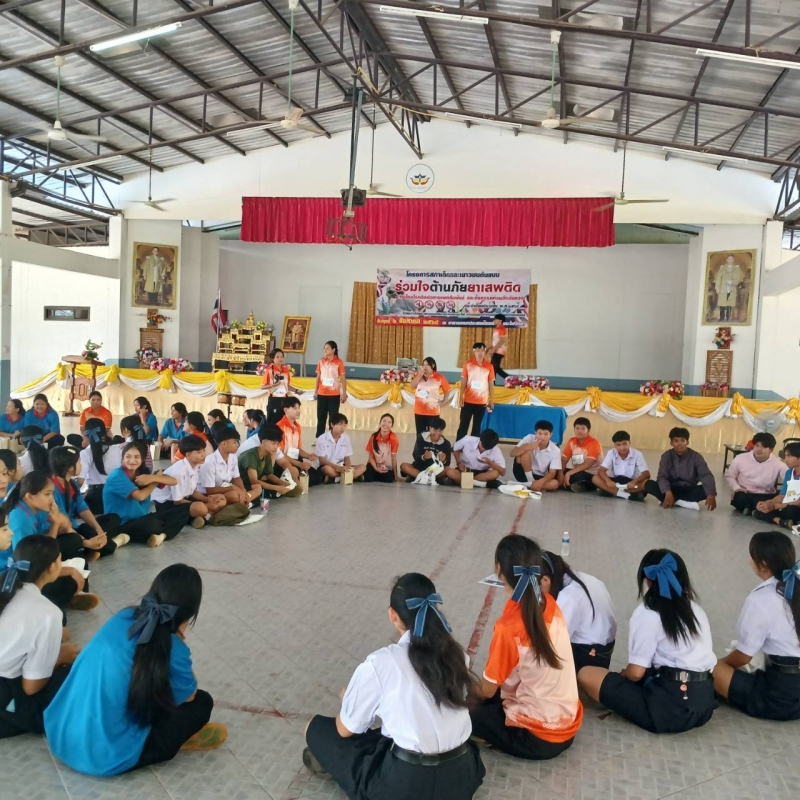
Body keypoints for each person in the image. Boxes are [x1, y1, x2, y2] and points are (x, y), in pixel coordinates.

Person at [302, 572, 486, 799]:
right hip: (462, 777)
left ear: (393, 614)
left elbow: (345, 729)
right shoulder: (458, 655)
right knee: (388, 737)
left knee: (316, 729)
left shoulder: (381, 663)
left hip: (406, 787)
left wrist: (347, 702)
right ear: (436, 609)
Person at [45, 564, 226, 775]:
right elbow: (189, 696)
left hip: (61, 736)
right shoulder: (175, 647)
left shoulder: (124, 616)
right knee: (202, 703)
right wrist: (180, 640)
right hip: (104, 757)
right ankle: (180, 738)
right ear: (190, 613)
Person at [577, 549, 717, 733]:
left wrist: (625, 675)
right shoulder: (696, 609)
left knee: (587, 674)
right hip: (704, 706)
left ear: (648, 580)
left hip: (670, 711)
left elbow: (636, 673)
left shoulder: (648, 612)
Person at [470, 534, 582, 760]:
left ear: (499, 570)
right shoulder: (549, 602)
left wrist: (459, 690)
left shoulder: (508, 628)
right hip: (568, 726)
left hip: (536, 739)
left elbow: (487, 690)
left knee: (462, 713)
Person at [712, 531, 800, 720]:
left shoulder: (761, 599)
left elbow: (744, 656)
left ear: (763, 564)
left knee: (707, 666)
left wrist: (720, 665)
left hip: (779, 698)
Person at [0, 536, 80, 739]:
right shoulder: (48, 613)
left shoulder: (6, 588)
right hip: (6, 695)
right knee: (78, 671)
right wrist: (59, 657)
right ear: (52, 567)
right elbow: (31, 687)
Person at [3, 477, 98, 612]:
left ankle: (75, 593)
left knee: (76, 551)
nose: (51, 498)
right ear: (29, 497)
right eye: (47, 494)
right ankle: (71, 594)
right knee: (70, 578)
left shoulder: (36, 508)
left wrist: (55, 521)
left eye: (52, 493)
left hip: (35, 561)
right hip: (23, 575)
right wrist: (69, 570)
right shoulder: (21, 521)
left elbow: (55, 536)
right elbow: (30, 566)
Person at [539, 551, 617, 672]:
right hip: (605, 648)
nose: (539, 596)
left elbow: (553, 644)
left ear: (545, 580)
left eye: (536, 589)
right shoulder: (586, 578)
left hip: (588, 655)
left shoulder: (569, 598)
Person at [49, 446, 126, 557]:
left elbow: (83, 509)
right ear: (70, 467)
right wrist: (86, 541)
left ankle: (93, 546)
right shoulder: (51, 490)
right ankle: (110, 544)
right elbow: (64, 526)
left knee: (113, 518)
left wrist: (99, 530)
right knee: (76, 540)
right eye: (79, 461)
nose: (81, 465)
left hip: (75, 529)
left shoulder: (72, 484)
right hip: (63, 533)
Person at [103, 443, 181, 548]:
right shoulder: (117, 475)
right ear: (123, 458)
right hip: (122, 522)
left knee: (182, 510)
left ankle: (160, 535)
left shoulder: (144, 472)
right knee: (152, 524)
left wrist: (153, 478)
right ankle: (162, 534)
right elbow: (140, 496)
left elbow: (174, 481)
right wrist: (154, 482)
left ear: (143, 459)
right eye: (128, 457)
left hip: (141, 517)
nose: (132, 461)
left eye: (136, 457)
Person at [151, 435, 224, 531]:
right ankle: (203, 515)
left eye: (203, 450)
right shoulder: (178, 472)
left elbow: (192, 491)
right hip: (167, 504)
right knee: (201, 508)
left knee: (220, 498)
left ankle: (197, 518)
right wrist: (205, 505)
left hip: (184, 498)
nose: (203, 454)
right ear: (188, 455)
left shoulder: (196, 465)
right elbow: (177, 501)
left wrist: (207, 499)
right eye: (198, 452)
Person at [645, 427, 717, 511]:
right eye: (676, 441)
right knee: (649, 484)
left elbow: (706, 475)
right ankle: (682, 502)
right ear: (671, 443)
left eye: (683, 440)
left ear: (687, 442)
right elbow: (662, 476)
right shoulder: (666, 456)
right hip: (670, 488)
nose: (679, 444)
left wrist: (711, 494)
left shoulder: (696, 457)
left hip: (688, 489)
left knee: (706, 490)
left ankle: (673, 501)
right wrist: (668, 493)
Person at [199, 427, 261, 507]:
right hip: (211, 494)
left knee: (258, 487)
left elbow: (237, 478)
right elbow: (210, 490)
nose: (237, 445)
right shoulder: (209, 462)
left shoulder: (233, 456)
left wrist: (242, 491)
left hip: (227, 488)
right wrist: (233, 488)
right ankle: (245, 502)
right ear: (224, 444)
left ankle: (244, 500)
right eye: (234, 442)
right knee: (233, 495)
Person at [726, 432, 784, 515]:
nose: (759, 449)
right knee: (739, 497)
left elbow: (789, 478)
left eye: (764, 447)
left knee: (768, 500)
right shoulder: (740, 458)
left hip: (765, 494)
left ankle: (749, 508)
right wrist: (736, 488)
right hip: (744, 492)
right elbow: (730, 476)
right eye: (757, 445)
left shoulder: (778, 463)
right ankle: (757, 509)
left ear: (771, 450)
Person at [237, 426, 299, 498]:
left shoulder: (267, 454)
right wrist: (277, 487)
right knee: (262, 490)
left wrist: (283, 483)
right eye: (273, 443)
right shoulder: (251, 456)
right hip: (243, 486)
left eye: (277, 444)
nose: (276, 447)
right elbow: (254, 481)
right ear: (263, 442)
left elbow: (269, 475)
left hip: (254, 484)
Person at [752, 440, 800, 529]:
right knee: (762, 506)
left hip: (795, 507)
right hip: (785, 505)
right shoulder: (789, 473)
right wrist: (768, 502)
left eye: (789, 456)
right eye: (785, 456)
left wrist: (774, 506)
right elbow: (782, 495)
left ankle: (776, 519)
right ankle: (781, 521)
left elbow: (798, 502)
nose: (786, 459)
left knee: (790, 510)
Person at [79, 419, 123, 515]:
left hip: (96, 498)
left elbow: (80, 481)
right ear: (105, 432)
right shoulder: (117, 450)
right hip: (117, 495)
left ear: (85, 434)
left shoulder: (85, 453)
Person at [593, 430, 650, 501]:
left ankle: (614, 492)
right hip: (615, 482)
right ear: (615, 445)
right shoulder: (611, 453)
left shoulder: (638, 454)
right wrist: (608, 481)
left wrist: (634, 482)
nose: (622, 447)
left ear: (629, 443)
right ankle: (625, 495)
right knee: (595, 478)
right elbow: (602, 470)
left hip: (631, 483)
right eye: (618, 445)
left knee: (647, 483)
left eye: (625, 444)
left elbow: (646, 474)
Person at [311, 413, 366, 484]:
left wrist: (348, 468)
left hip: (341, 466)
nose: (342, 428)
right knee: (327, 469)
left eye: (345, 425)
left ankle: (335, 478)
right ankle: (350, 477)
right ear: (332, 425)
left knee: (362, 467)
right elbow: (322, 461)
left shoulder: (346, 438)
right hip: (328, 466)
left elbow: (346, 457)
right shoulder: (322, 439)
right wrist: (338, 468)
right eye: (340, 424)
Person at [457, 342, 495, 441]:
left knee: (477, 426)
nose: (480, 353)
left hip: (481, 402)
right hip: (468, 401)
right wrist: (461, 397)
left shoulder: (489, 366)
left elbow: (491, 383)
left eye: (482, 350)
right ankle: (459, 445)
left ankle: (473, 446)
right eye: (478, 351)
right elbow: (463, 382)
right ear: (474, 352)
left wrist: (491, 400)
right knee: (463, 424)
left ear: (485, 352)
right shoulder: (468, 365)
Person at [509, 419, 561, 492]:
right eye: (539, 433)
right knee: (526, 449)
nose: (542, 437)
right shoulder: (529, 438)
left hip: (540, 476)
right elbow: (512, 453)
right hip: (522, 472)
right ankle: (530, 481)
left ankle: (524, 485)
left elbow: (552, 473)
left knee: (555, 484)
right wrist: (528, 447)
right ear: (535, 433)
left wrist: (541, 482)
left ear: (551, 435)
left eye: (546, 434)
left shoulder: (555, 450)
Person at [400, 418, 452, 484]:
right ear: (430, 428)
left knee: (449, 470)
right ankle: (432, 479)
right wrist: (424, 457)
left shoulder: (446, 443)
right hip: (419, 468)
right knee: (403, 466)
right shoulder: (421, 438)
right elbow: (415, 454)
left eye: (440, 430)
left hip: (435, 471)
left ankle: (418, 478)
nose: (437, 433)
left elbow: (447, 463)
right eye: (435, 430)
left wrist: (443, 460)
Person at [276, 397, 315, 483]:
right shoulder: (279, 427)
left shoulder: (297, 427)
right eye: (294, 408)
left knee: (317, 475)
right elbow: (279, 453)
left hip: (295, 459)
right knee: (302, 476)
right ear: (286, 410)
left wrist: (308, 456)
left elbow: (298, 448)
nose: (298, 411)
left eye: (299, 408)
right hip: (283, 461)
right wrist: (299, 464)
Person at [560, 417, 603, 493]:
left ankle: (589, 485)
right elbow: (563, 460)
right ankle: (574, 486)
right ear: (574, 430)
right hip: (576, 471)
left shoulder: (594, 443)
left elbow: (587, 464)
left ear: (588, 430)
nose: (579, 431)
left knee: (576, 477)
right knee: (554, 471)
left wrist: (568, 473)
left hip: (592, 474)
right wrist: (560, 475)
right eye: (577, 428)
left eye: (583, 429)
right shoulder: (571, 441)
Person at [410, 357, 451, 435]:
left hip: (433, 411)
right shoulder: (419, 375)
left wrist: (443, 401)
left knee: (432, 434)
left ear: (433, 365)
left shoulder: (439, 377)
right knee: (420, 434)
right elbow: (412, 386)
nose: (425, 367)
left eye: (427, 365)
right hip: (419, 410)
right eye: (423, 365)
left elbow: (447, 390)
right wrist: (419, 375)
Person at [315, 341, 347, 439]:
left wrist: (343, 393)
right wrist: (315, 391)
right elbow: (318, 377)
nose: (325, 350)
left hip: (334, 394)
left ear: (333, 350)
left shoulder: (339, 362)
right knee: (321, 417)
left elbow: (343, 378)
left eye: (327, 348)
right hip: (322, 393)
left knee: (333, 418)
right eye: (324, 348)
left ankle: (332, 438)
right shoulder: (321, 361)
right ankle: (319, 438)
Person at [262, 348, 297, 425]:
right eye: (277, 357)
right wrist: (273, 385)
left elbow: (287, 386)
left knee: (284, 422)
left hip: (284, 399)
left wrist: (297, 390)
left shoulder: (286, 370)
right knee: (273, 423)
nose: (280, 359)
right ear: (273, 358)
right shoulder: (269, 370)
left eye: (281, 356)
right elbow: (262, 387)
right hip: (274, 399)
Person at [364, 413, 401, 483]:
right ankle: (373, 474)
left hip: (386, 465)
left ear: (392, 425)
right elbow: (370, 457)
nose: (386, 424)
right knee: (368, 478)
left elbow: (394, 457)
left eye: (389, 422)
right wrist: (376, 468)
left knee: (388, 479)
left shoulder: (394, 438)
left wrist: (396, 475)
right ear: (380, 422)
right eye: (384, 421)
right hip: (374, 464)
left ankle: (375, 475)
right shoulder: (373, 437)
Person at [488, 313, 509, 383]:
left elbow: (502, 341)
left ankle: (510, 379)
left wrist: (493, 349)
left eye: (495, 319)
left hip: (499, 351)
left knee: (495, 368)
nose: (494, 320)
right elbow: (494, 341)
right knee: (493, 368)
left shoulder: (501, 329)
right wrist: (487, 348)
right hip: (496, 351)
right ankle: (492, 384)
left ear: (500, 320)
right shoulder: (496, 329)